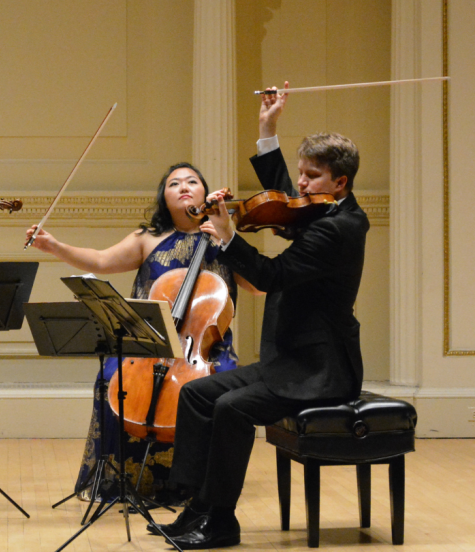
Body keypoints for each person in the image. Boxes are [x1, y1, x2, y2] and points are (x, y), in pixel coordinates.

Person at [155, 84, 370, 549]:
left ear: (341, 183)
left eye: (312, 177)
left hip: (320, 370)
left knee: (231, 409)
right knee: (197, 395)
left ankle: (222, 521)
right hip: (287, 361)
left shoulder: (341, 229)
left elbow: (272, 275)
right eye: (302, 173)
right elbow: (283, 199)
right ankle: (196, 505)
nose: (302, 185)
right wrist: (267, 128)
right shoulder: (322, 209)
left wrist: (229, 238)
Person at [25, 162, 253, 504]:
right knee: (109, 380)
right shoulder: (148, 237)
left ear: (206, 193)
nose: (184, 186)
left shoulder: (226, 240)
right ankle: (121, 479)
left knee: (216, 385)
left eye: (192, 181)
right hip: (151, 344)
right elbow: (101, 261)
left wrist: (228, 236)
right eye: (174, 183)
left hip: (206, 349)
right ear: (164, 196)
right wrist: (54, 246)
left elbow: (259, 287)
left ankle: (200, 486)